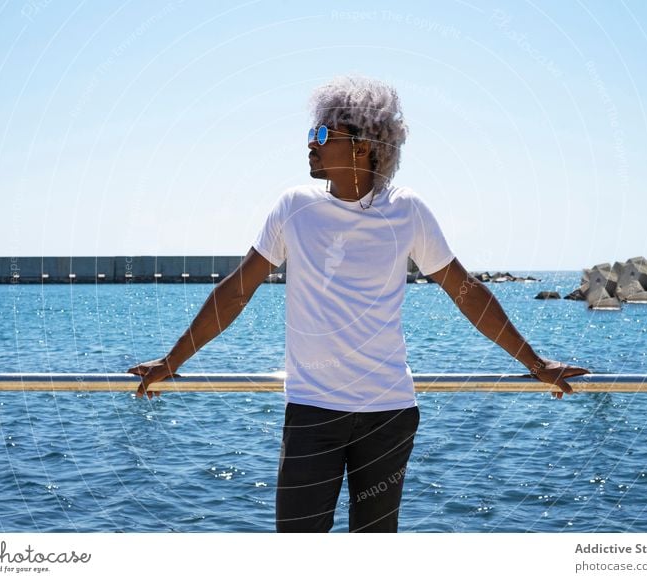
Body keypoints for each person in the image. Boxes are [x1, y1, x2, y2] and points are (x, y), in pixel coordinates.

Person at [127, 75, 589, 533]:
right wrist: (173, 360)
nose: (311, 143)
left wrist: (535, 363)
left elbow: (465, 293)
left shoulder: (407, 210)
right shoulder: (294, 207)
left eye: (323, 134)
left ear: (364, 146)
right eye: (312, 133)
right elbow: (236, 292)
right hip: (311, 410)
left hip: (387, 415)